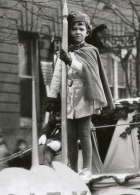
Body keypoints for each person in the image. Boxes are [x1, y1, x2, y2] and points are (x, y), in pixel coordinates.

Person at [47, 11, 114, 174]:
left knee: (84, 133)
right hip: (68, 98)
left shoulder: (90, 50)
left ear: (87, 32)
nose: (77, 32)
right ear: (68, 32)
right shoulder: (64, 51)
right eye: (74, 29)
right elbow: (57, 75)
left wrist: (69, 61)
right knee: (69, 135)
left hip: (85, 95)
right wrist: (52, 97)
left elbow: (87, 70)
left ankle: (86, 168)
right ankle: (72, 168)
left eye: (81, 29)